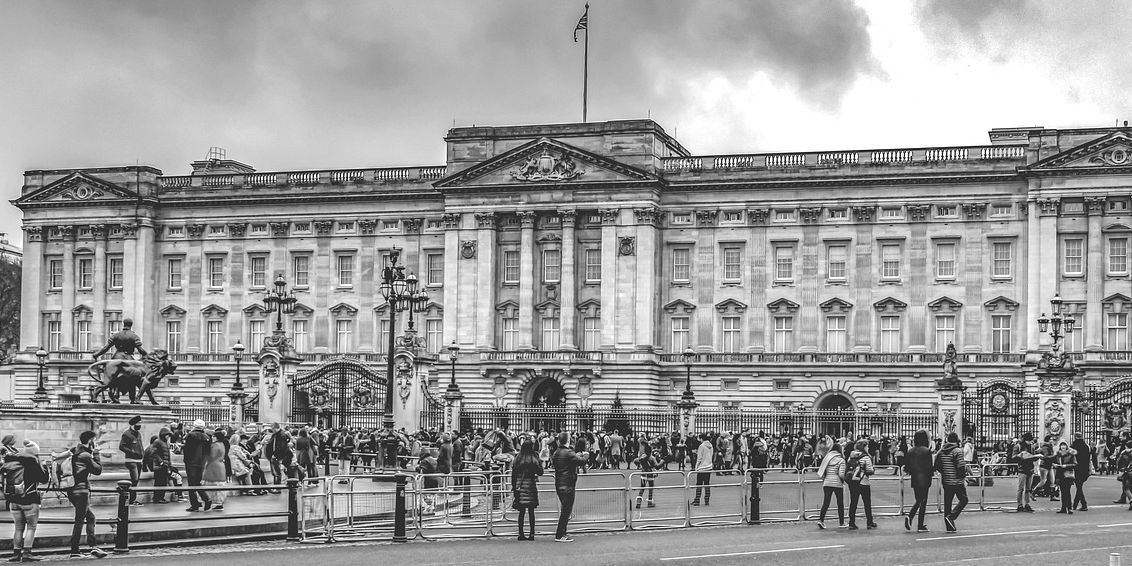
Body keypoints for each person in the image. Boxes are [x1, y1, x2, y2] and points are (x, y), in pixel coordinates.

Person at [59, 430, 108, 559]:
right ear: (90, 440)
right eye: (94, 440)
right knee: (79, 520)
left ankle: (93, 546)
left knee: (90, 518)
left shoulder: (75, 451)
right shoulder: (85, 455)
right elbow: (98, 470)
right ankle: (75, 550)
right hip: (81, 491)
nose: (95, 442)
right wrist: (96, 453)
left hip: (72, 490)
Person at [4, 440, 47, 562]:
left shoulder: (11, 461)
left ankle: (16, 553)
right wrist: (44, 466)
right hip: (29, 499)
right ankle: (27, 553)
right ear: (34, 453)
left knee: (18, 528)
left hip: (13, 500)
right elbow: (43, 479)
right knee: (31, 527)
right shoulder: (32, 462)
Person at [551, 432, 588, 542]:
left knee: (565, 509)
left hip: (559, 483)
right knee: (566, 511)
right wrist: (586, 454)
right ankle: (560, 534)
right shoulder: (568, 452)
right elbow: (581, 462)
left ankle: (563, 532)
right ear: (567, 440)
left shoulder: (557, 452)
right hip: (568, 483)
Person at [511, 440, 543, 541]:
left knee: (521, 512)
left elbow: (513, 474)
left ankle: (521, 533)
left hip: (520, 486)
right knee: (531, 512)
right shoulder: (533, 458)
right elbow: (540, 472)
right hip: (531, 486)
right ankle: (532, 533)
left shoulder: (518, 458)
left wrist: (514, 487)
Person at [936, 431, 968, 533]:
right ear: (956, 440)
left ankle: (949, 526)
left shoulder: (941, 451)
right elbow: (961, 466)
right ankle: (951, 517)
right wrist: (962, 477)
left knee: (947, 504)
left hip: (946, 481)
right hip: (957, 481)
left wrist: (945, 472)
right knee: (964, 500)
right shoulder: (958, 451)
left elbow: (936, 465)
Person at [904, 429, 933, 532]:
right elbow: (929, 467)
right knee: (922, 501)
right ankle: (917, 522)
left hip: (915, 478)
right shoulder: (926, 451)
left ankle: (913, 519)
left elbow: (907, 467)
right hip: (925, 478)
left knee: (919, 500)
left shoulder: (910, 451)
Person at [182, 420, 212, 512]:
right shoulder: (207, 437)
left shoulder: (191, 435)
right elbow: (208, 452)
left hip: (191, 463)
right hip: (201, 463)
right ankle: (206, 499)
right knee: (197, 483)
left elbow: (187, 449)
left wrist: (186, 460)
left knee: (191, 484)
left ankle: (195, 504)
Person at [816, 439, 846, 530]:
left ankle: (821, 520)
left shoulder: (827, 458)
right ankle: (842, 522)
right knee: (840, 503)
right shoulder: (841, 460)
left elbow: (823, 471)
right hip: (837, 483)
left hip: (827, 482)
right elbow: (841, 474)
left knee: (826, 502)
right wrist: (843, 481)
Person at [846, 438, 876, 530]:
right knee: (867, 503)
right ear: (864, 447)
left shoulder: (851, 456)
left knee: (853, 503)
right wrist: (873, 470)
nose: (868, 447)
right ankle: (869, 522)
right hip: (864, 482)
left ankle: (851, 522)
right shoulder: (866, 457)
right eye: (867, 446)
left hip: (853, 482)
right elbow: (869, 471)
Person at [119, 416, 144, 506]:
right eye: (139, 423)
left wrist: (142, 454)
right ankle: (131, 499)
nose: (140, 425)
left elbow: (140, 446)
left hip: (139, 460)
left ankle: (132, 499)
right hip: (131, 460)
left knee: (136, 481)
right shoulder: (127, 434)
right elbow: (121, 446)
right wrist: (132, 452)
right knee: (135, 479)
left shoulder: (138, 434)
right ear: (134, 424)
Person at [203, 429, 230, 510]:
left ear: (217, 437)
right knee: (220, 485)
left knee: (212, 485)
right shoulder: (222, 444)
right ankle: (219, 502)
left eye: (214, 436)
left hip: (213, 467)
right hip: (221, 466)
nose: (212, 438)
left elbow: (211, 457)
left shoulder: (215, 445)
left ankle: (212, 501)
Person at [1013, 432, 1039, 512]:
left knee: (1028, 488)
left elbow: (1034, 456)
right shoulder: (1018, 446)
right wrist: (1019, 456)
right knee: (1020, 489)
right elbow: (1013, 457)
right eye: (1029, 440)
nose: (1030, 442)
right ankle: (1019, 504)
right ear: (1025, 440)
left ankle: (1027, 504)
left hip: (1030, 469)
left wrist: (1036, 457)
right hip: (1022, 469)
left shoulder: (1032, 447)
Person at [1053, 441, 1077, 514]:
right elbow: (1053, 461)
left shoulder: (1071, 454)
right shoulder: (1058, 455)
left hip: (1067, 474)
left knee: (1067, 491)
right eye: (1061, 445)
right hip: (1060, 474)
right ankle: (1063, 508)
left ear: (1067, 446)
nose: (1063, 447)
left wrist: (1066, 466)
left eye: (1064, 445)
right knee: (1063, 492)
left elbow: (1075, 464)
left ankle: (1069, 508)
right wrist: (1055, 465)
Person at [690, 433, 714, 506]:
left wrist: (696, 467)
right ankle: (707, 500)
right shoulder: (710, 445)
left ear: (701, 439)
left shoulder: (701, 446)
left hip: (702, 467)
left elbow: (699, 458)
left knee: (699, 484)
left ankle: (697, 500)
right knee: (707, 484)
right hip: (709, 466)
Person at [1071, 433, 1091, 511]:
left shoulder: (1074, 446)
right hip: (1085, 469)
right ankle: (1075, 505)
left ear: (1075, 437)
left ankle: (1084, 504)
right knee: (1079, 486)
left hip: (1077, 469)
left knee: (1078, 487)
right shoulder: (1086, 446)